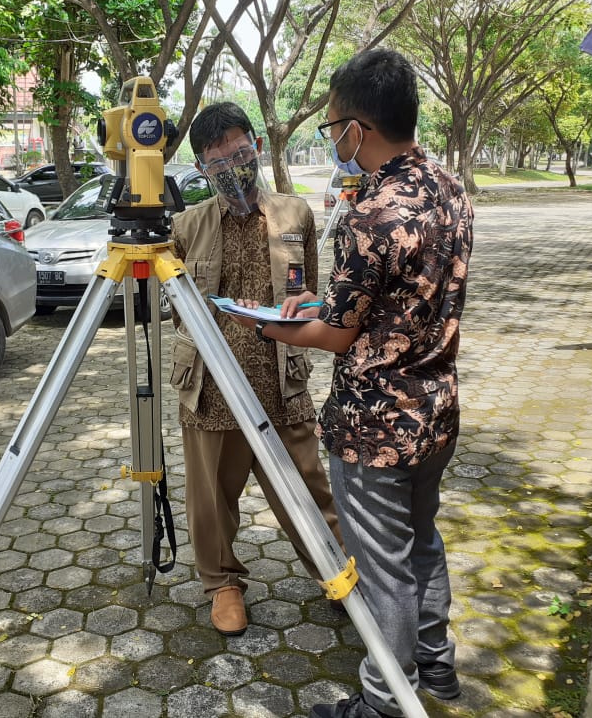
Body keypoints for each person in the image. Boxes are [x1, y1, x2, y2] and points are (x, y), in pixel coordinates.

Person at [229, 49, 474, 717]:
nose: (332, 138)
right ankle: (436, 666)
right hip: (437, 411)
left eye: (332, 124)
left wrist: (266, 327)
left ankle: (384, 704)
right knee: (421, 540)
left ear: (357, 129)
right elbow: (379, 306)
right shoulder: (448, 188)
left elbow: (338, 337)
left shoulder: (373, 211)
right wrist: (318, 309)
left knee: (385, 569)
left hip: (375, 428)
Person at [168, 101, 343, 637]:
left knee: (309, 486)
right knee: (211, 499)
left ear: (258, 149)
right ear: (202, 168)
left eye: (241, 155)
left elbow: (311, 295)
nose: (233, 169)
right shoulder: (187, 225)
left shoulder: (296, 215)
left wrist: (308, 304)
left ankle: (335, 570)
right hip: (212, 386)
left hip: (280, 379)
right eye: (218, 163)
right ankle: (222, 583)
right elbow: (176, 308)